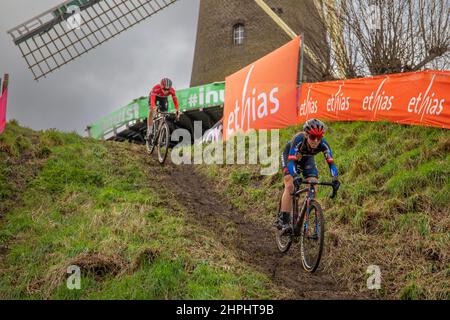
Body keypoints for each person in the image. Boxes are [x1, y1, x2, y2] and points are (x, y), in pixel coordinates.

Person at [275, 118, 340, 230]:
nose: (315, 141)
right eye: (312, 137)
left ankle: (303, 221)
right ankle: (283, 219)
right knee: (290, 184)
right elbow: (291, 162)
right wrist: (295, 176)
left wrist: (335, 178)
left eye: (319, 138)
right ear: (306, 135)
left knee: (313, 186)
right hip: (291, 157)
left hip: (307, 159)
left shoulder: (323, 144)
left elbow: (331, 163)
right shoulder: (298, 139)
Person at [146, 78, 180, 142]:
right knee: (151, 111)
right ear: (161, 86)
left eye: (168, 89)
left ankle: (160, 128)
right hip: (154, 96)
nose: (166, 91)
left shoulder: (172, 91)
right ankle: (150, 131)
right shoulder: (156, 88)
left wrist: (177, 110)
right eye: (164, 89)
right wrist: (154, 107)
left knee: (164, 113)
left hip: (163, 98)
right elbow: (152, 101)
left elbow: (175, 101)